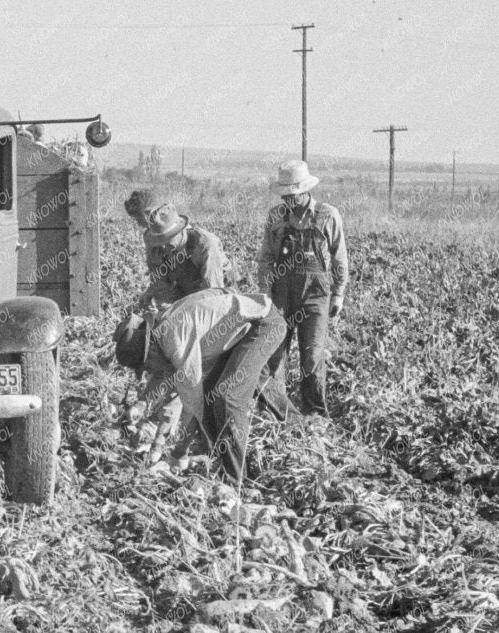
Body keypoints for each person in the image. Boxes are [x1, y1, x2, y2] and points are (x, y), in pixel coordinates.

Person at [116, 285, 288, 481]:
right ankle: (220, 461)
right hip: (242, 329)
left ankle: (234, 482)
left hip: (263, 325)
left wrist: (179, 452)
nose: (150, 372)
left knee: (228, 398)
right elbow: (170, 381)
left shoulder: (174, 338)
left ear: (150, 353)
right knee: (212, 397)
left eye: (147, 367)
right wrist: (142, 403)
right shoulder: (163, 330)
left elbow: (192, 404)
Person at [256, 159, 349, 416]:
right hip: (282, 295)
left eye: (293, 195)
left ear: (305, 191)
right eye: (285, 196)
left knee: (312, 356)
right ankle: (278, 412)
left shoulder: (327, 215)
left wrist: (339, 293)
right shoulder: (276, 217)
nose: (288, 200)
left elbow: (339, 257)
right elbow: (266, 259)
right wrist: (265, 293)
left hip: (316, 296)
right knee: (275, 354)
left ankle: (315, 415)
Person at [136, 202, 229, 308]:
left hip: (220, 291)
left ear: (180, 231)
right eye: (159, 242)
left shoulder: (204, 244)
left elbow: (213, 292)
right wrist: (158, 299)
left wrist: (180, 306)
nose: (163, 247)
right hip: (186, 290)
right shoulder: (155, 248)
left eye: (167, 240)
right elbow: (161, 286)